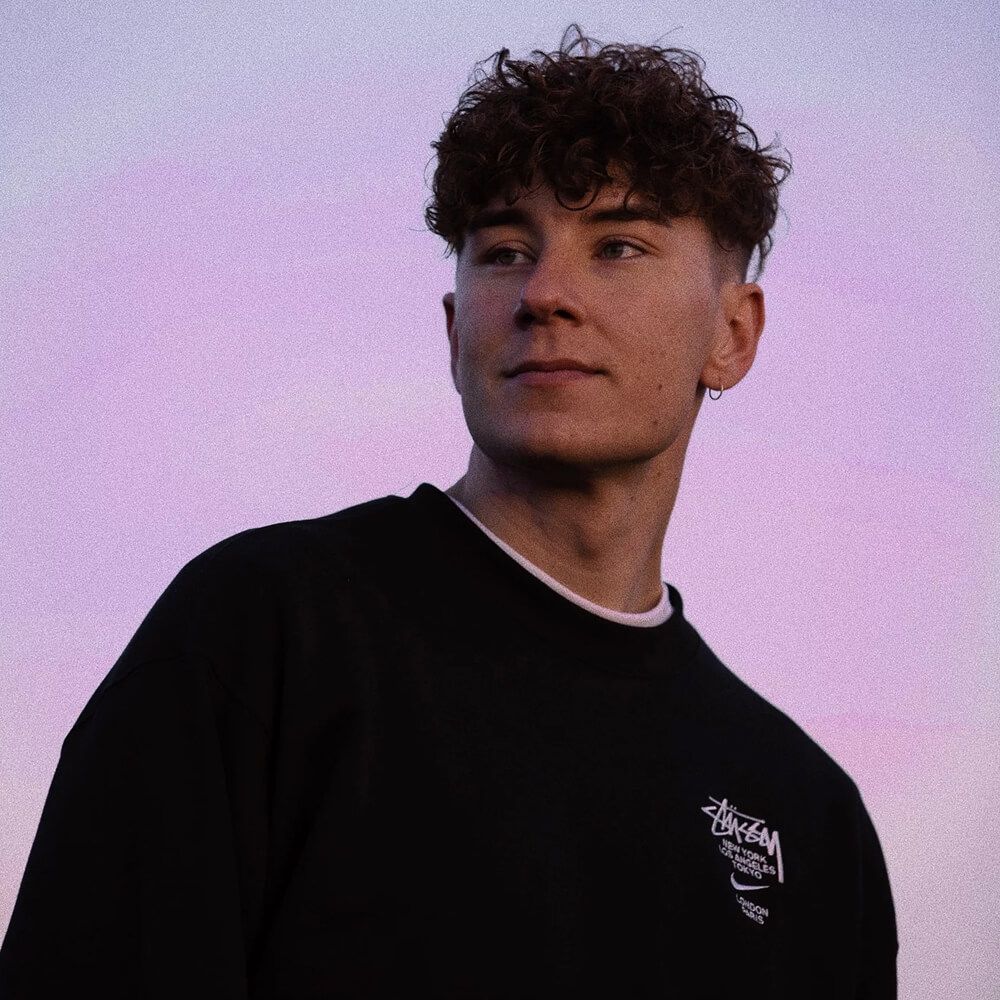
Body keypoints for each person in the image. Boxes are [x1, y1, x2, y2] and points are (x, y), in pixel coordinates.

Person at [0, 23, 897, 999]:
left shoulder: (808, 821)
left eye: (618, 246)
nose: (545, 294)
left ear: (733, 333)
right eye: (505, 251)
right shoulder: (267, 635)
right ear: (454, 326)